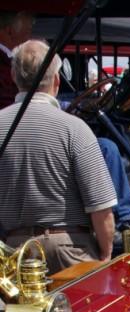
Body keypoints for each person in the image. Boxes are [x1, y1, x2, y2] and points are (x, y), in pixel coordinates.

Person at [0, 40, 116, 273]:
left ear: (15, 78)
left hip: (15, 254)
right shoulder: (75, 128)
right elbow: (101, 209)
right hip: (71, 250)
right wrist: (106, 254)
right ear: (56, 80)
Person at [0, 11, 33, 109]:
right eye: (28, 31)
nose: (30, 38)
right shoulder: (4, 66)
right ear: (10, 31)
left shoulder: (9, 60)